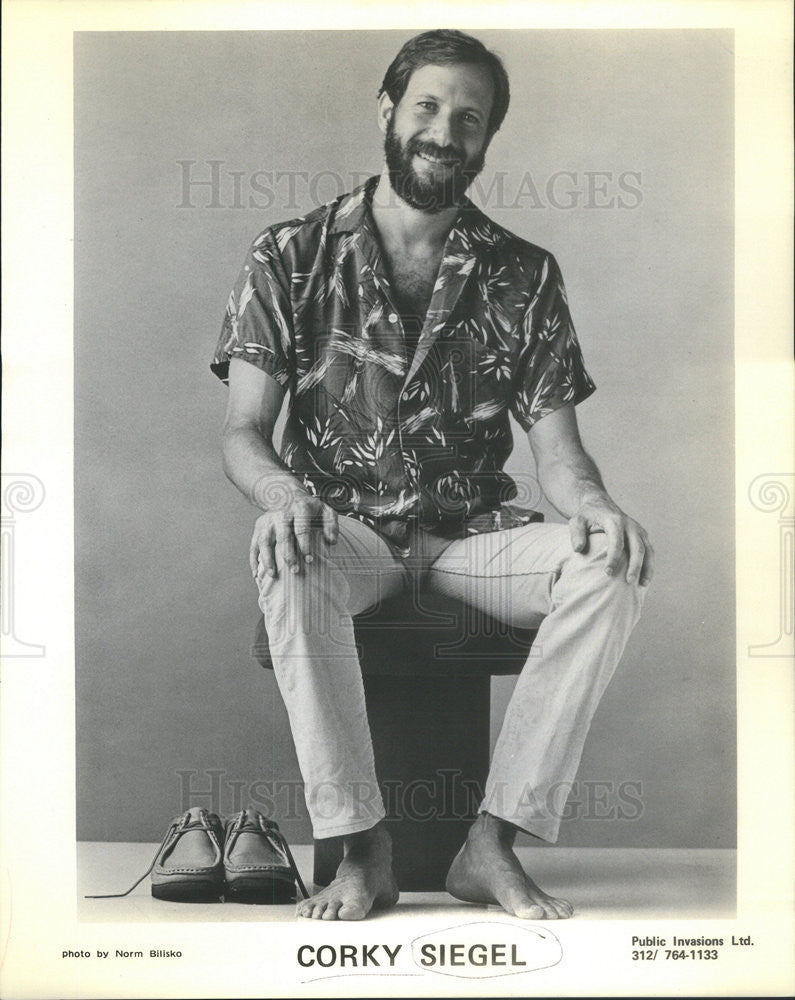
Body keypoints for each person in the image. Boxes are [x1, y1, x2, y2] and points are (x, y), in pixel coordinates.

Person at [211, 29, 654, 921]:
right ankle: (361, 849)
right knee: (282, 547)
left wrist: (597, 505)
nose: (443, 131)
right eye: (426, 106)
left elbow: (557, 454)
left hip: (470, 540)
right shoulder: (288, 254)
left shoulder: (523, 274)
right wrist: (282, 494)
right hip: (346, 534)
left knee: (608, 569)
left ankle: (490, 845)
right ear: (387, 110)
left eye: (468, 117)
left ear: (486, 139)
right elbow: (244, 431)